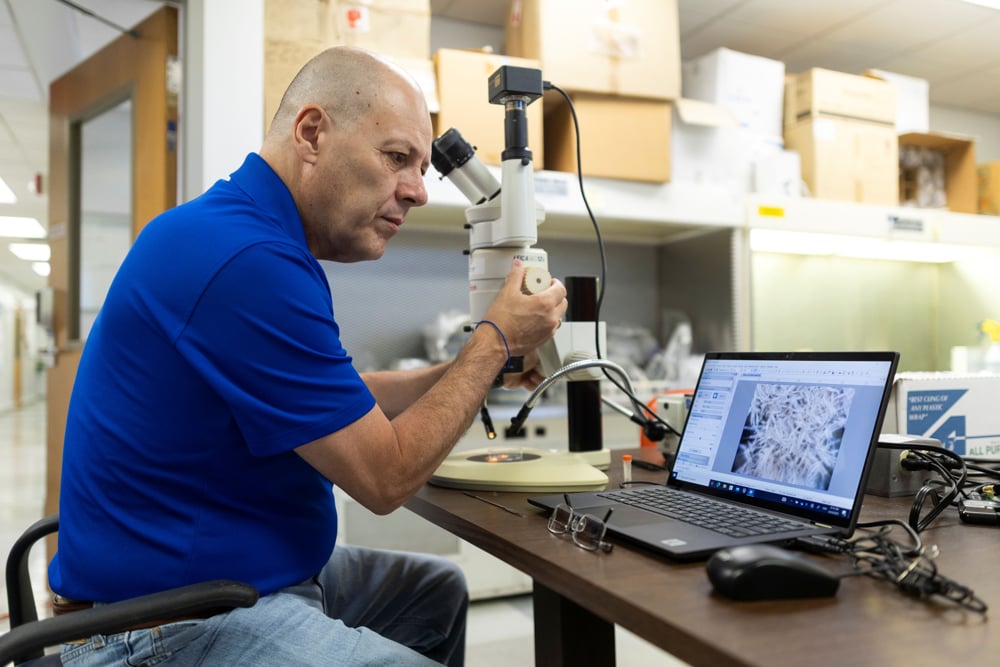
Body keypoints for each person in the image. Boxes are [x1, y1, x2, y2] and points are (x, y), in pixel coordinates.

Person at [49, 46, 567, 666]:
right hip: (166, 623)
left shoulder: (247, 235)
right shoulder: (245, 261)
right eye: (396, 157)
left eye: (422, 168)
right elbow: (384, 478)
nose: (418, 191)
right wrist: (493, 341)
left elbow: (337, 405)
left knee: (434, 592)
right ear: (312, 133)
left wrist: (476, 370)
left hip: (231, 574)